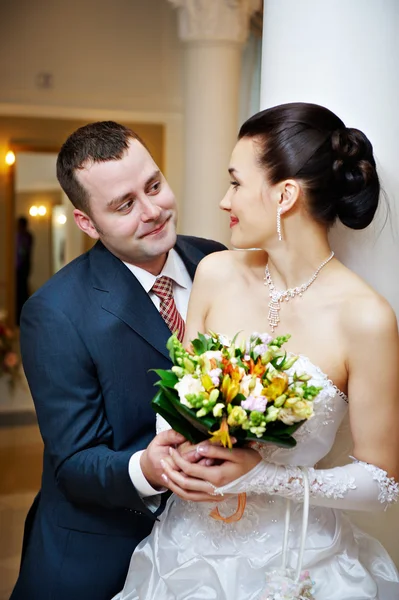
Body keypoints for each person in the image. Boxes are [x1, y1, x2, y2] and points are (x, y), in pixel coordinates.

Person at [118, 103, 399, 600]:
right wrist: (172, 453)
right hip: (186, 553)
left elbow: (382, 483)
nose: (224, 201)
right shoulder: (217, 273)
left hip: (295, 559)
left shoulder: (366, 318)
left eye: (236, 183)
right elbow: (177, 400)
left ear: (285, 194)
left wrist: (267, 477)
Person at [10, 121, 225, 600]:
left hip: (220, 545)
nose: (152, 212)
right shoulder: (55, 312)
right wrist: (147, 468)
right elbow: (75, 462)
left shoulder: (218, 262)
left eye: (154, 186)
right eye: (124, 205)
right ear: (87, 222)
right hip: (104, 556)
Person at [15, 215, 34, 325]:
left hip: (22, 268)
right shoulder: (21, 236)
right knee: (20, 293)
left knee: (22, 293)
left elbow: (23, 252)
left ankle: (21, 318)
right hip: (20, 269)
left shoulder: (26, 236)